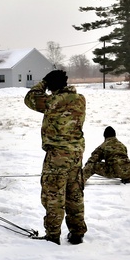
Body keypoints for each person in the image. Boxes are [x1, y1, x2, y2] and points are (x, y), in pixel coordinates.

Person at [24, 69, 87, 245]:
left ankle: (52, 235)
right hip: (76, 155)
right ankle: (77, 232)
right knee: (74, 194)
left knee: (54, 195)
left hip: (57, 156)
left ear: (51, 86)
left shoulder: (51, 101)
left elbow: (30, 98)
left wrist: (43, 82)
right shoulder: (80, 99)